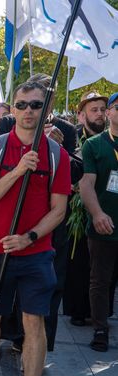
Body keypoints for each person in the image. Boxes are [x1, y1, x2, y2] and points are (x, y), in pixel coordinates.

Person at [0, 81, 70, 376]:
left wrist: (30, 236)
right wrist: (16, 171)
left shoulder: (57, 155)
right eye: (22, 104)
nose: (29, 111)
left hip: (36, 253)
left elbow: (59, 210)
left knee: (34, 321)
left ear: (47, 109)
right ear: (12, 110)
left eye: (36, 105)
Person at [79, 92, 118, 352]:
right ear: (109, 113)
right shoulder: (94, 145)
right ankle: (100, 328)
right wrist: (97, 213)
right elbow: (86, 183)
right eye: (117, 107)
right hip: (105, 225)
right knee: (100, 279)